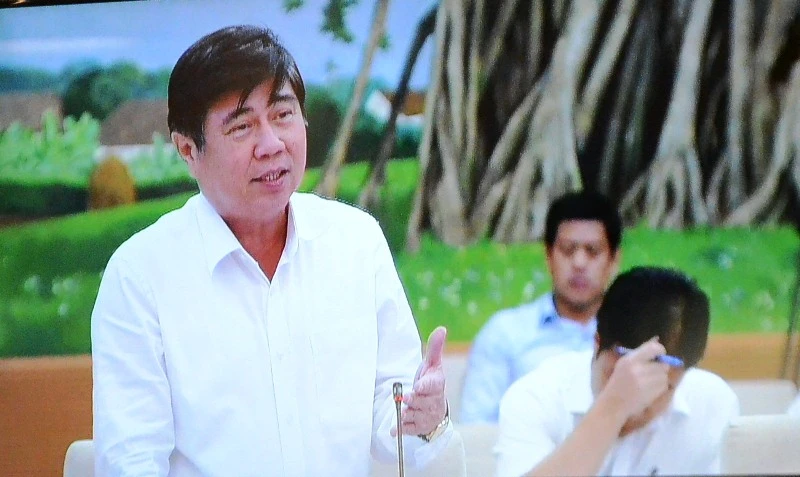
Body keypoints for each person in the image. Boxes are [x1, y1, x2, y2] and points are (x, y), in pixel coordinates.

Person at [91, 25, 452, 477]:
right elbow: (131, 461)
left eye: (283, 115)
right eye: (242, 126)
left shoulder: (356, 241)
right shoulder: (139, 276)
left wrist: (424, 416)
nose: (272, 145)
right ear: (188, 149)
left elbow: (392, 419)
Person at [495, 266, 740, 477]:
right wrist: (613, 406)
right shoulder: (535, 397)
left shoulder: (711, 403)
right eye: (621, 376)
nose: (637, 402)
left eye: (657, 386)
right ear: (597, 342)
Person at [460, 191, 622, 423]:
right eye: (568, 250)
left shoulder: (634, 336)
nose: (579, 263)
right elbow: (475, 427)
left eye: (592, 251)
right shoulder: (504, 334)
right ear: (548, 256)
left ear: (614, 260)